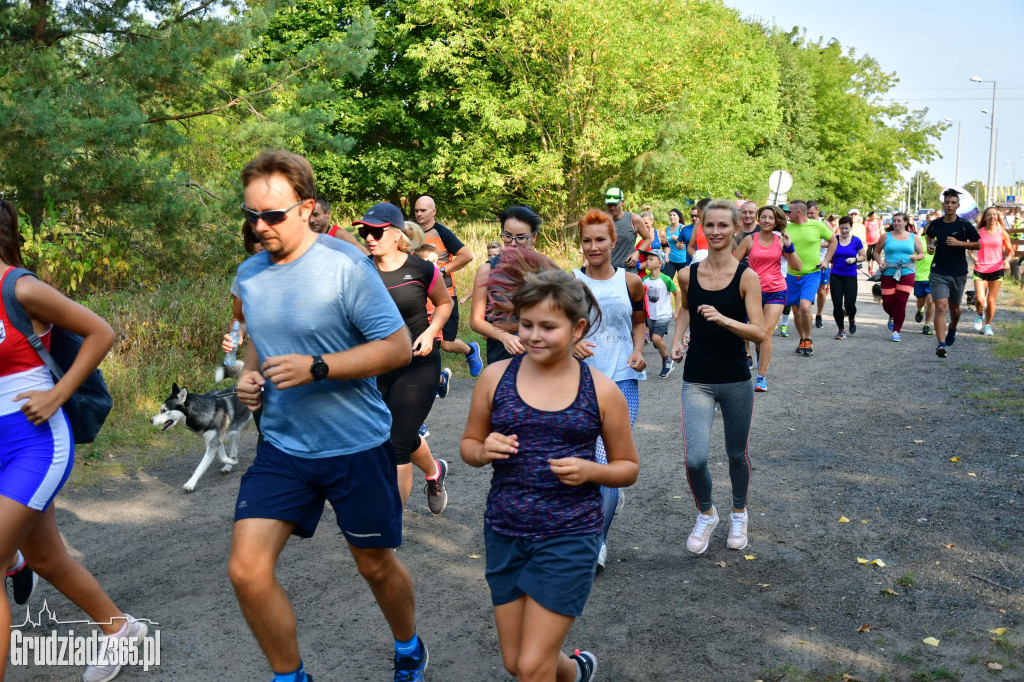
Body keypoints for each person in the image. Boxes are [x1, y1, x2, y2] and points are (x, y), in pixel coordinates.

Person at [229, 151, 427, 682]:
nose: (259, 225)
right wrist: (250, 377)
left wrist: (318, 366)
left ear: (306, 208)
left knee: (374, 566)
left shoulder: (345, 266)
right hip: (283, 446)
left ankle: (409, 646)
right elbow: (259, 340)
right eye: (250, 215)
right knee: (246, 570)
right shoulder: (249, 274)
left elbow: (397, 349)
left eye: (272, 215)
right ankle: (290, 676)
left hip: (354, 444)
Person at [461, 267, 639, 682]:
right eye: (526, 324)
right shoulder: (494, 378)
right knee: (517, 663)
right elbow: (468, 445)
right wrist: (484, 450)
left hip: (570, 534)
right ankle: (577, 672)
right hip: (505, 530)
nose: (534, 335)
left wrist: (591, 470)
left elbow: (627, 467)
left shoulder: (601, 390)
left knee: (532, 667)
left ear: (577, 328)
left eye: (548, 326)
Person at [0, 199, 151, 682]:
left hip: (35, 441)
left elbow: (100, 331)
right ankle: (120, 631)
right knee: (45, 556)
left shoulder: (19, 287)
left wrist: (57, 393)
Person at [669, 199, 765, 554]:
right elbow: (684, 311)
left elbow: (759, 332)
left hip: (736, 377)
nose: (716, 232)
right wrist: (678, 340)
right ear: (702, 228)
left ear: (736, 228)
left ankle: (739, 512)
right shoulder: (687, 274)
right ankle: (707, 513)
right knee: (695, 458)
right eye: (710, 225)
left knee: (736, 454)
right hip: (697, 378)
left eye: (724, 226)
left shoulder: (747, 277)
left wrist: (724, 320)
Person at [362, 207, 452, 513]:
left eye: (376, 231)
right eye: (365, 232)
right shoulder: (361, 269)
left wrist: (431, 332)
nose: (369, 237)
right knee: (393, 431)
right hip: (377, 366)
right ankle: (434, 471)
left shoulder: (420, 269)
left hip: (419, 363)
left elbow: (444, 303)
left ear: (397, 232)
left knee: (396, 441)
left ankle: (390, 523)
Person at [572, 209, 647, 568]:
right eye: (587, 240)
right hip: (578, 382)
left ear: (613, 241)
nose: (593, 246)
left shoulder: (631, 282)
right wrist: (571, 345)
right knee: (584, 461)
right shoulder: (570, 283)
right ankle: (585, 522)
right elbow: (557, 327)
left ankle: (596, 544)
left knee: (608, 462)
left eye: (600, 239)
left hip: (621, 381)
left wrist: (637, 350)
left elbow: (640, 322)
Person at [733, 204, 801, 392]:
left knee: (766, 333)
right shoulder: (749, 240)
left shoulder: (781, 240)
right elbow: (732, 264)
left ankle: (761, 377)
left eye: (771, 218)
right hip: (752, 292)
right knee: (750, 333)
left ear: (776, 221)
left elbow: (797, 266)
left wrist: (790, 246)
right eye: (763, 217)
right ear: (758, 219)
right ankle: (755, 351)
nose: (767, 221)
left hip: (776, 291)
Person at [414, 195, 483, 377]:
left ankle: (470, 350)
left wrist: (441, 271)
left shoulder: (441, 232)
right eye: (416, 210)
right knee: (426, 338)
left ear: (434, 212)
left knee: (446, 343)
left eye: (423, 210)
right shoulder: (412, 233)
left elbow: (466, 255)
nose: (419, 214)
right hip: (420, 295)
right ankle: (434, 380)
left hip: (444, 295)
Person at [470, 206, 545, 366]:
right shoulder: (487, 270)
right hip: (502, 356)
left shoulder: (546, 270)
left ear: (534, 237)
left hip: (540, 357)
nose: (513, 243)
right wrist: (504, 336)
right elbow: (476, 321)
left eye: (521, 237)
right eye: (507, 236)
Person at [925, 189, 981, 358]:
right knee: (940, 306)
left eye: (953, 203)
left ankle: (953, 328)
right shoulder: (935, 224)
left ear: (958, 205)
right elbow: (929, 236)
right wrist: (930, 245)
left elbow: (977, 245)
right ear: (943, 204)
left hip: (958, 272)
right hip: (938, 270)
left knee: (954, 307)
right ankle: (941, 344)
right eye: (947, 202)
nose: (949, 205)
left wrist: (959, 243)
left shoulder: (964, 225)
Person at [784, 200, 837, 356]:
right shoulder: (786, 228)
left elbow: (833, 241)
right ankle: (802, 339)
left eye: (790, 211)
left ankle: (808, 339)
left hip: (812, 273)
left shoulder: (817, 225)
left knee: (805, 306)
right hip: (792, 275)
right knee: (796, 310)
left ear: (799, 212)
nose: (787, 214)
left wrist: (826, 261)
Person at [874, 212, 925, 342]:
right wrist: (880, 263)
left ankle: (896, 331)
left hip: (907, 271)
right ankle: (892, 315)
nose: (896, 223)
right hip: (889, 271)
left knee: (901, 302)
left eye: (899, 221)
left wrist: (915, 257)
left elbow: (922, 254)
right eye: (894, 221)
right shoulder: (886, 236)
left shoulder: (913, 237)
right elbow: (876, 252)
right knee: (888, 303)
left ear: (906, 222)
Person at [971, 206, 1013, 336]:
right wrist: (973, 258)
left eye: (994, 214)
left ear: (997, 217)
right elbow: (970, 249)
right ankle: (979, 314)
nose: (992, 217)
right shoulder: (979, 232)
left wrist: (1007, 260)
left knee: (991, 300)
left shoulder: (1002, 233)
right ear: (985, 217)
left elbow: (1011, 251)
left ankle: (988, 325)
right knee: (980, 299)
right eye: (989, 215)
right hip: (980, 268)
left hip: (996, 268)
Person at [641, 249, 681, 378]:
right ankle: (665, 359)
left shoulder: (666, 279)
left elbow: (676, 293)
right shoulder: (644, 280)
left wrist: (677, 310)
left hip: (663, 315)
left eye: (651, 259)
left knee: (656, 338)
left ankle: (667, 360)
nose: (647, 261)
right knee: (658, 341)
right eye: (647, 259)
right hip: (650, 316)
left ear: (660, 264)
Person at [828, 216, 865, 339]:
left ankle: (851, 318)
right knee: (837, 303)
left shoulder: (856, 241)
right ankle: (841, 329)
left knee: (850, 304)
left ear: (851, 228)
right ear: (839, 227)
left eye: (847, 228)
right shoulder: (834, 240)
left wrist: (855, 259)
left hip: (850, 275)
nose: (844, 231)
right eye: (842, 228)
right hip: (836, 275)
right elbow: (828, 252)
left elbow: (863, 256)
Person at [604, 188, 652, 269]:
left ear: (623, 202)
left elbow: (648, 239)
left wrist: (638, 253)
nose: (612, 208)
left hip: (626, 270)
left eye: (615, 204)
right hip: (605, 270)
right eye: (609, 205)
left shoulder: (633, 219)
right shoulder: (601, 220)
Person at [806, 201, 831, 329]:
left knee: (821, 289)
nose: (809, 215)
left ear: (817, 210)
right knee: (807, 290)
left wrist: (818, 244)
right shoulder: (804, 223)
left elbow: (832, 242)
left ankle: (819, 314)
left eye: (811, 213)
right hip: (807, 261)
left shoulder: (824, 223)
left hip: (821, 260)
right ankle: (807, 314)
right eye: (807, 213)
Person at [913, 234, 935, 336]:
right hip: (919, 276)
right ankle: (920, 309)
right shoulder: (918, 240)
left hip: (934, 276)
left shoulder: (939, 240)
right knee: (920, 301)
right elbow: (911, 255)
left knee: (931, 301)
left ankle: (927, 325)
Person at [663, 208, 690, 279]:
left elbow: (688, 241)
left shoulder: (682, 227)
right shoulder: (667, 229)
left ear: (679, 217)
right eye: (670, 215)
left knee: (684, 282)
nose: (672, 217)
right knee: (666, 281)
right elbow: (665, 244)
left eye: (674, 215)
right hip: (670, 260)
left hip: (682, 260)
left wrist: (678, 238)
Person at [687, 198, 712, 263]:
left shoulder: (719, 225)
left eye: (698, 211)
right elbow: (690, 247)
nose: (697, 214)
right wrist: (696, 256)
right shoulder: (698, 225)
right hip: (700, 264)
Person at [864, 210, 883, 277]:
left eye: (875, 216)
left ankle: (873, 269)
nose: (874, 217)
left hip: (877, 240)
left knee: (875, 254)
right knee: (869, 253)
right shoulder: (867, 222)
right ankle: (869, 266)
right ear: (870, 216)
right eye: (873, 216)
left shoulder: (879, 222)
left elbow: (881, 230)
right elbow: (864, 231)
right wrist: (864, 240)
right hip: (868, 240)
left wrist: (882, 239)